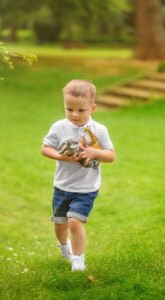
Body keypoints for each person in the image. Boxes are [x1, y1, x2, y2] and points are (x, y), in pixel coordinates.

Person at [41, 79, 115, 271]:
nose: (74, 115)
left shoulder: (99, 130)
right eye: (69, 109)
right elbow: (45, 148)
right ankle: (63, 245)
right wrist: (61, 156)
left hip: (86, 188)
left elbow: (111, 156)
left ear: (93, 107)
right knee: (60, 225)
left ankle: (78, 260)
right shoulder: (59, 127)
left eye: (81, 110)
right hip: (62, 186)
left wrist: (94, 153)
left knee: (75, 222)